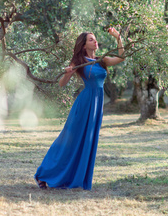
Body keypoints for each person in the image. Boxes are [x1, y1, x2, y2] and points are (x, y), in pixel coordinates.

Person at [34, 27, 125, 190]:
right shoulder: (78, 61)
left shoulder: (101, 60)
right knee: (68, 141)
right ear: (83, 45)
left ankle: (76, 177)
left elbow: (121, 57)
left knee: (87, 141)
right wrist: (68, 73)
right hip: (84, 105)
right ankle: (43, 174)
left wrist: (118, 36)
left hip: (97, 106)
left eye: (95, 38)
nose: (95, 41)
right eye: (91, 39)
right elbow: (62, 83)